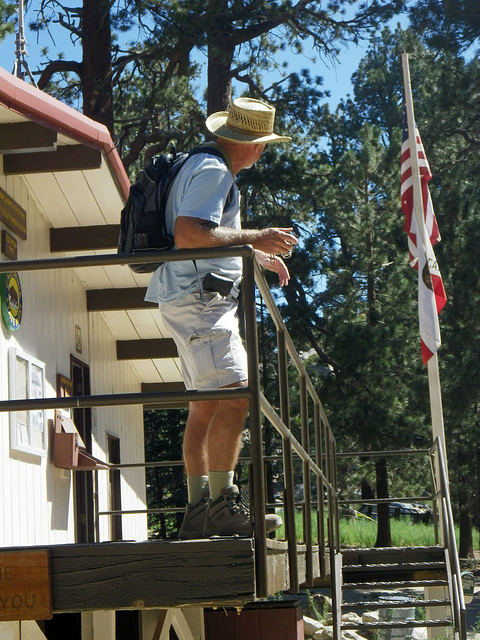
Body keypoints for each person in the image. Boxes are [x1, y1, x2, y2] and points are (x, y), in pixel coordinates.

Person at [145, 97, 297, 538]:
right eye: (263, 143)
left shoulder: (200, 164)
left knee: (205, 406)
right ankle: (221, 507)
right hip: (202, 302)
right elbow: (190, 233)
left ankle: (197, 510)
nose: (264, 151)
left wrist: (256, 256)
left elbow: (203, 235)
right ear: (248, 145)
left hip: (187, 298)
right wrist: (259, 236)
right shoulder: (214, 172)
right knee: (236, 397)